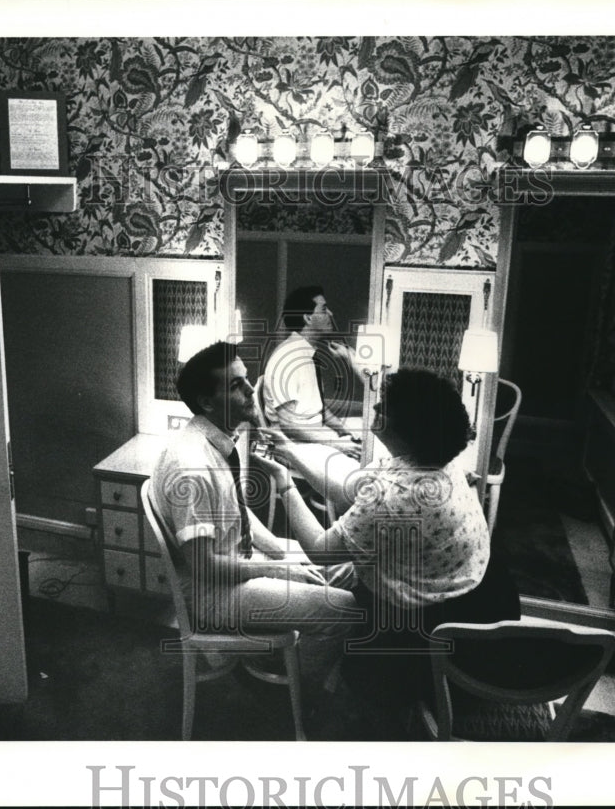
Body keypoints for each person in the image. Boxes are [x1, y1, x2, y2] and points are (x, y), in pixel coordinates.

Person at [256, 369, 520, 701]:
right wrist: (289, 451)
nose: (376, 407)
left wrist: (285, 483)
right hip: (473, 587)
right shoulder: (429, 460)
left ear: (404, 427)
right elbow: (347, 490)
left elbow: (322, 551)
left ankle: (314, 692)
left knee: (367, 685)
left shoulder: (398, 493)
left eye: (383, 406)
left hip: (436, 622)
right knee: (309, 571)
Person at [150, 340, 359, 653]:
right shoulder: (191, 466)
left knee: (353, 569)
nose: (251, 389)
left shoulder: (219, 441)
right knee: (348, 607)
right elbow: (204, 567)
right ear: (207, 402)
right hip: (215, 593)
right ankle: (329, 685)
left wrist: (281, 554)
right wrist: (278, 569)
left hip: (242, 561)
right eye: (237, 385)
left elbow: (239, 513)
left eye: (246, 378)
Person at [261, 285, 362, 460]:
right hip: (294, 445)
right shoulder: (287, 358)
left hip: (313, 436)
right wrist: (338, 444)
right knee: (362, 465)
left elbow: (319, 409)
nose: (330, 313)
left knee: (364, 434)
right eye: (323, 309)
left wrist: (344, 431)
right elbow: (289, 425)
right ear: (308, 318)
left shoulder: (306, 353)